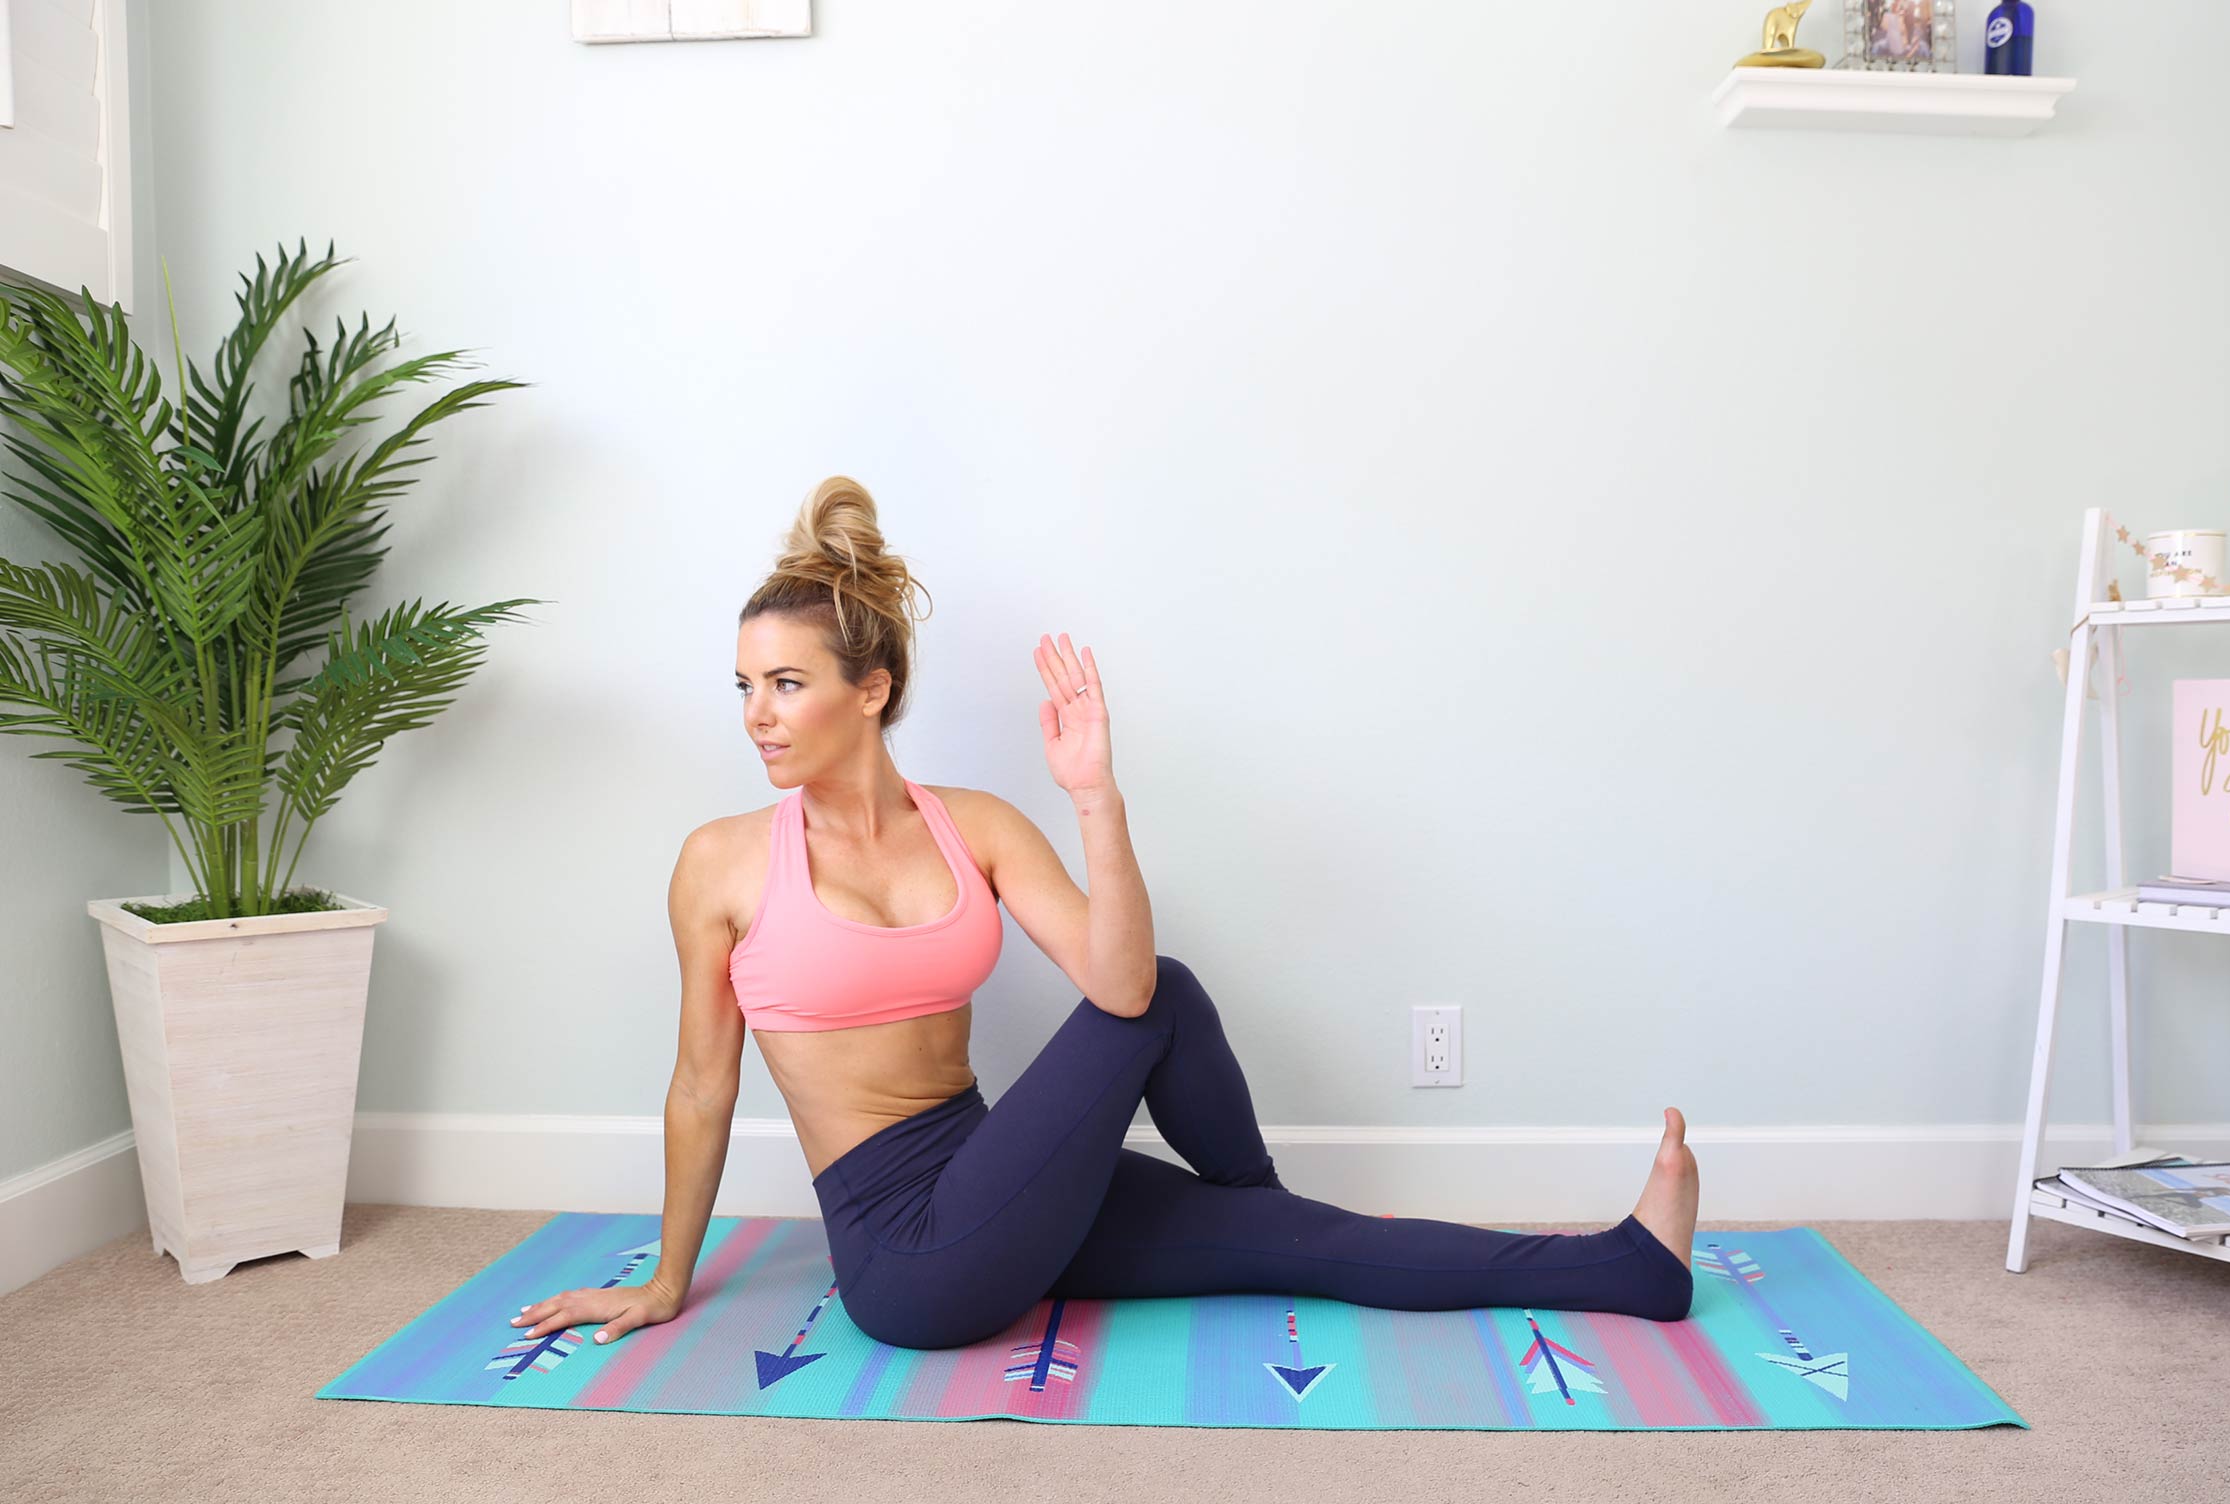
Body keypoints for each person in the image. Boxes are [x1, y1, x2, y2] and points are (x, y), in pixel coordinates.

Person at [514, 477, 1700, 1352]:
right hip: (907, 1253)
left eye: (786, 684)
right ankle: (1255, 1196)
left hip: (999, 1179)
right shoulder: (720, 864)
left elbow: (1118, 982)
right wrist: (667, 1278)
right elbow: (701, 1087)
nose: (757, 715)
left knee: (1307, 1228)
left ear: (870, 691)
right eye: (746, 686)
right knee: (1164, 1000)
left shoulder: (974, 826)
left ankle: (1631, 1266)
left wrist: (1094, 797)